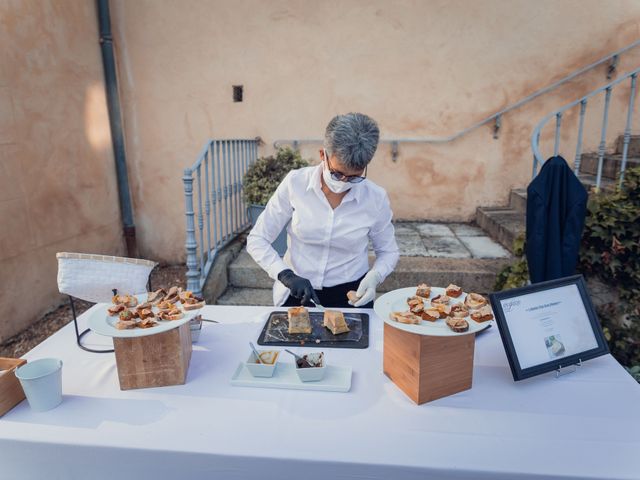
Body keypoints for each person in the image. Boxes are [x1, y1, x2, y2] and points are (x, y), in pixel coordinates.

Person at [247, 113, 399, 308]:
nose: (344, 182)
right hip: (297, 290)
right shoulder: (295, 183)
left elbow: (388, 251)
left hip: (351, 294)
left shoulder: (375, 198)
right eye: (337, 173)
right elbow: (257, 239)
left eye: (354, 177)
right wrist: (285, 275)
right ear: (322, 155)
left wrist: (375, 276)